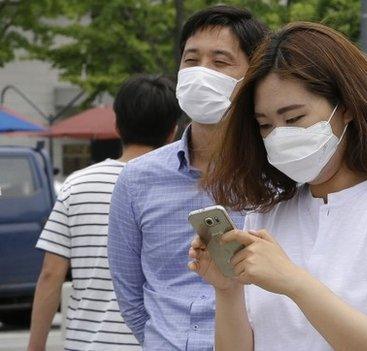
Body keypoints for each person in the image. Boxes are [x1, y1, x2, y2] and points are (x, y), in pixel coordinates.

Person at [188, 22, 367, 351]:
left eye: (294, 118)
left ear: (345, 107)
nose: (278, 136)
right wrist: (228, 289)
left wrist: (294, 282)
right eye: (265, 125)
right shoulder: (269, 213)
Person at [107, 6, 268, 350]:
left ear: (253, 76)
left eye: (220, 62)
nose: (200, 72)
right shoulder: (137, 179)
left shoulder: (278, 178)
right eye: (191, 60)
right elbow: (130, 295)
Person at [28, 75, 180, 351]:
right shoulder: (180, 189)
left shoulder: (77, 184)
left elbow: (51, 274)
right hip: (156, 342)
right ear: (173, 131)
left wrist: (35, 346)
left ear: (117, 125)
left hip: (87, 343)